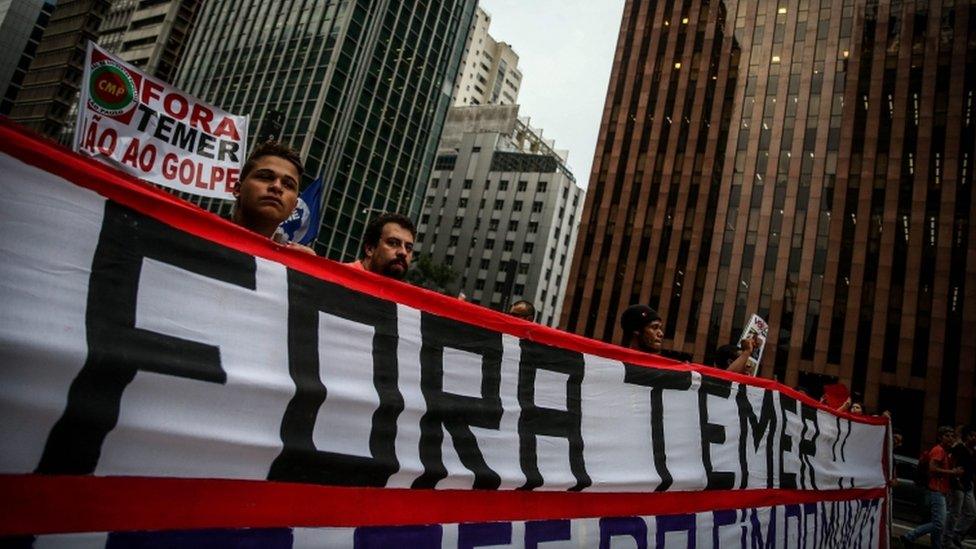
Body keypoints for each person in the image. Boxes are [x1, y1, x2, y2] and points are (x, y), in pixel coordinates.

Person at [231, 141, 314, 254]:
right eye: (265, 177)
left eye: (288, 184)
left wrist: (306, 269)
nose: (277, 187)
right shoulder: (199, 234)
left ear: (294, 207)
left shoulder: (296, 264)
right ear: (237, 189)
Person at [903, 426, 964, 549]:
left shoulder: (946, 452)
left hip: (941, 491)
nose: (950, 438)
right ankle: (910, 535)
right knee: (939, 524)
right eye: (947, 435)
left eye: (952, 436)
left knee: (938, 525)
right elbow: (932, 468)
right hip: (936, 490)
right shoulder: (939, 450)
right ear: (940, 437)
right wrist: (953, 472)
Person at [347, 213, 415, 279]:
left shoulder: (402, 290)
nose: (403, 252)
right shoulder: (339, 281)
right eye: (393, 243)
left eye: (408, 248)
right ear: (369, 249)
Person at [620, 304, 692, 361]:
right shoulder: (616, 365)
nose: (661, 334)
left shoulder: (665, 370)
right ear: (636, 331)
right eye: (654, 327)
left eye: (660, 328)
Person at [944, 425, 976, 548]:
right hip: (957, 485)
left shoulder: (974, 451)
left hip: (968, 486)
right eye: (971, 435)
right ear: (966, 436)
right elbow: (952, 463)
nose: (974, 438)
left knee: (971, 513)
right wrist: (956, 479)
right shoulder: (959, 448)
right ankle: (946, 541)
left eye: (975, 436)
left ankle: (956, 535)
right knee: (954, 513)